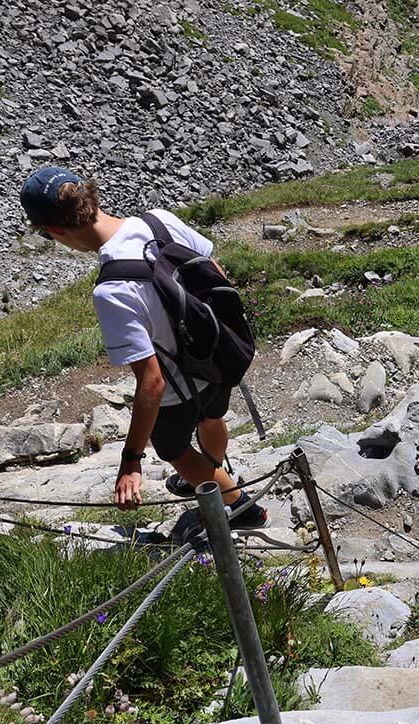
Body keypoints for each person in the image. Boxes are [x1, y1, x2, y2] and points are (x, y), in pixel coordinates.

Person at [19, 166, 266, 526]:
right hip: (217, 355)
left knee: (174, 448)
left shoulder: (112, 290)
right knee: (212, 416)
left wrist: (131, 459)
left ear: (55, 230)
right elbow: (214, 271)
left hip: (177, 390)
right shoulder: (158, 221)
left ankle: (242, 509)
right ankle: (209, 472)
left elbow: (152, 382)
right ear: (90, 197)